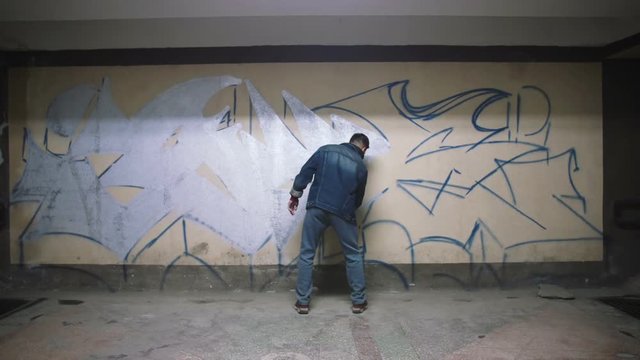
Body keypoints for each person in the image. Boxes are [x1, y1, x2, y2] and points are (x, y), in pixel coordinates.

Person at [288, 133, 370, 315]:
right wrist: (347, 211)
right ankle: (358, 302)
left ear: (350, 142)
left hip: (316, 207)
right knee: (353, 255)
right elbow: (358, 199)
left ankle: (302, 303)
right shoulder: (360, 166)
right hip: (342, 212)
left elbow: (305, 173)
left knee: (307, 253)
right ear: (363, 148)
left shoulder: (325, 150)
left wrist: (295, 195)